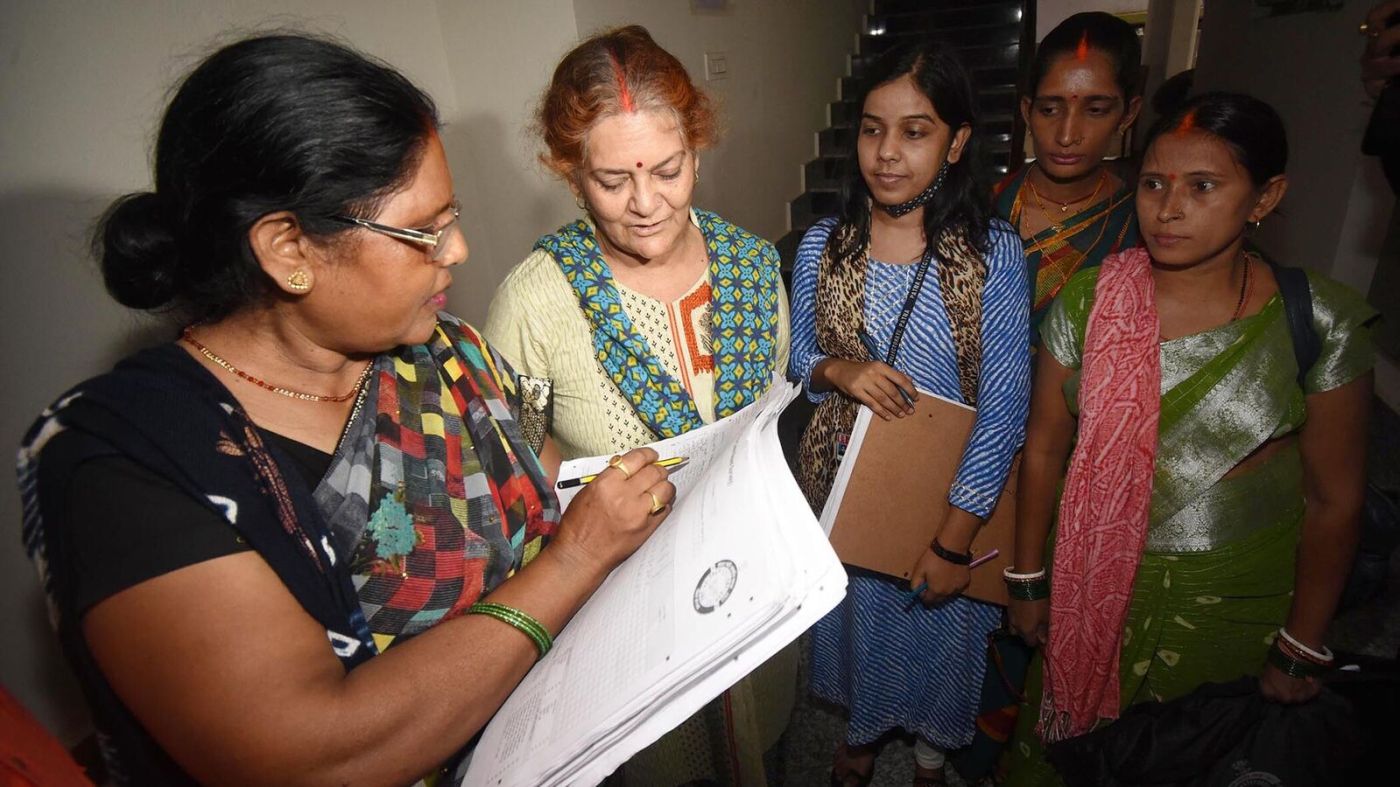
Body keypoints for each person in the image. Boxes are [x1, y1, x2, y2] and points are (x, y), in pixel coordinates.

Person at [16, 33, 676, 785]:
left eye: (452, 216)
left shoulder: (457, 351)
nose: (457, 249)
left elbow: (546, 470)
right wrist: (574, 562)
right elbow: (312, 756)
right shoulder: (128, 467)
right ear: (288, 248)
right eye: (424, 231)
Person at [1003, 92, 1376, 787]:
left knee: (1200, 753)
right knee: (1073, 758)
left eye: (1202, 186)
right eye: (1153, 184)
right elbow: (1045, 446)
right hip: (1089, 588)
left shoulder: (1316, 319)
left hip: (1233, 602)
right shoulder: (1090, 301)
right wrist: (1027, 579)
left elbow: (1335, 500)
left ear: (1265, 197)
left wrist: (1300, 642)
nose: (1168, 209)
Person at [482, 26, 791, 786]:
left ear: (697, 151)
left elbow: (771, 424)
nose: (647, 204)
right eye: (612, 180)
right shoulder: (537, 303)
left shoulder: (754, 268)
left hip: (750, 581)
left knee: (763, 745)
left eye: (668, 170)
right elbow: (519, 471)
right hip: (624, 612)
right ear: (571, 175)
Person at [788, 37, 1030, 786]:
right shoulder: (825, 245)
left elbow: (1005, 406)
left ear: (956, 142)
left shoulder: (991, 251)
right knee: (859, 625)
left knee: (941, 629)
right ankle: (862, 735)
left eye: (915, 131)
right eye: (872, 129)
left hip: (952, 492)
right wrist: (839, 369)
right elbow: (797, 361)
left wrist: (955, 542)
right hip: (849, 485)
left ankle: (929, 753)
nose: (887, 152)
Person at [994, 12, 1142, 341]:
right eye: (1050, 110)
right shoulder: (982, 206)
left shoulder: (1140, 227)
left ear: (1127, 114)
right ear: (1027, 111)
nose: (1066, 135)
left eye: (1095, 110)